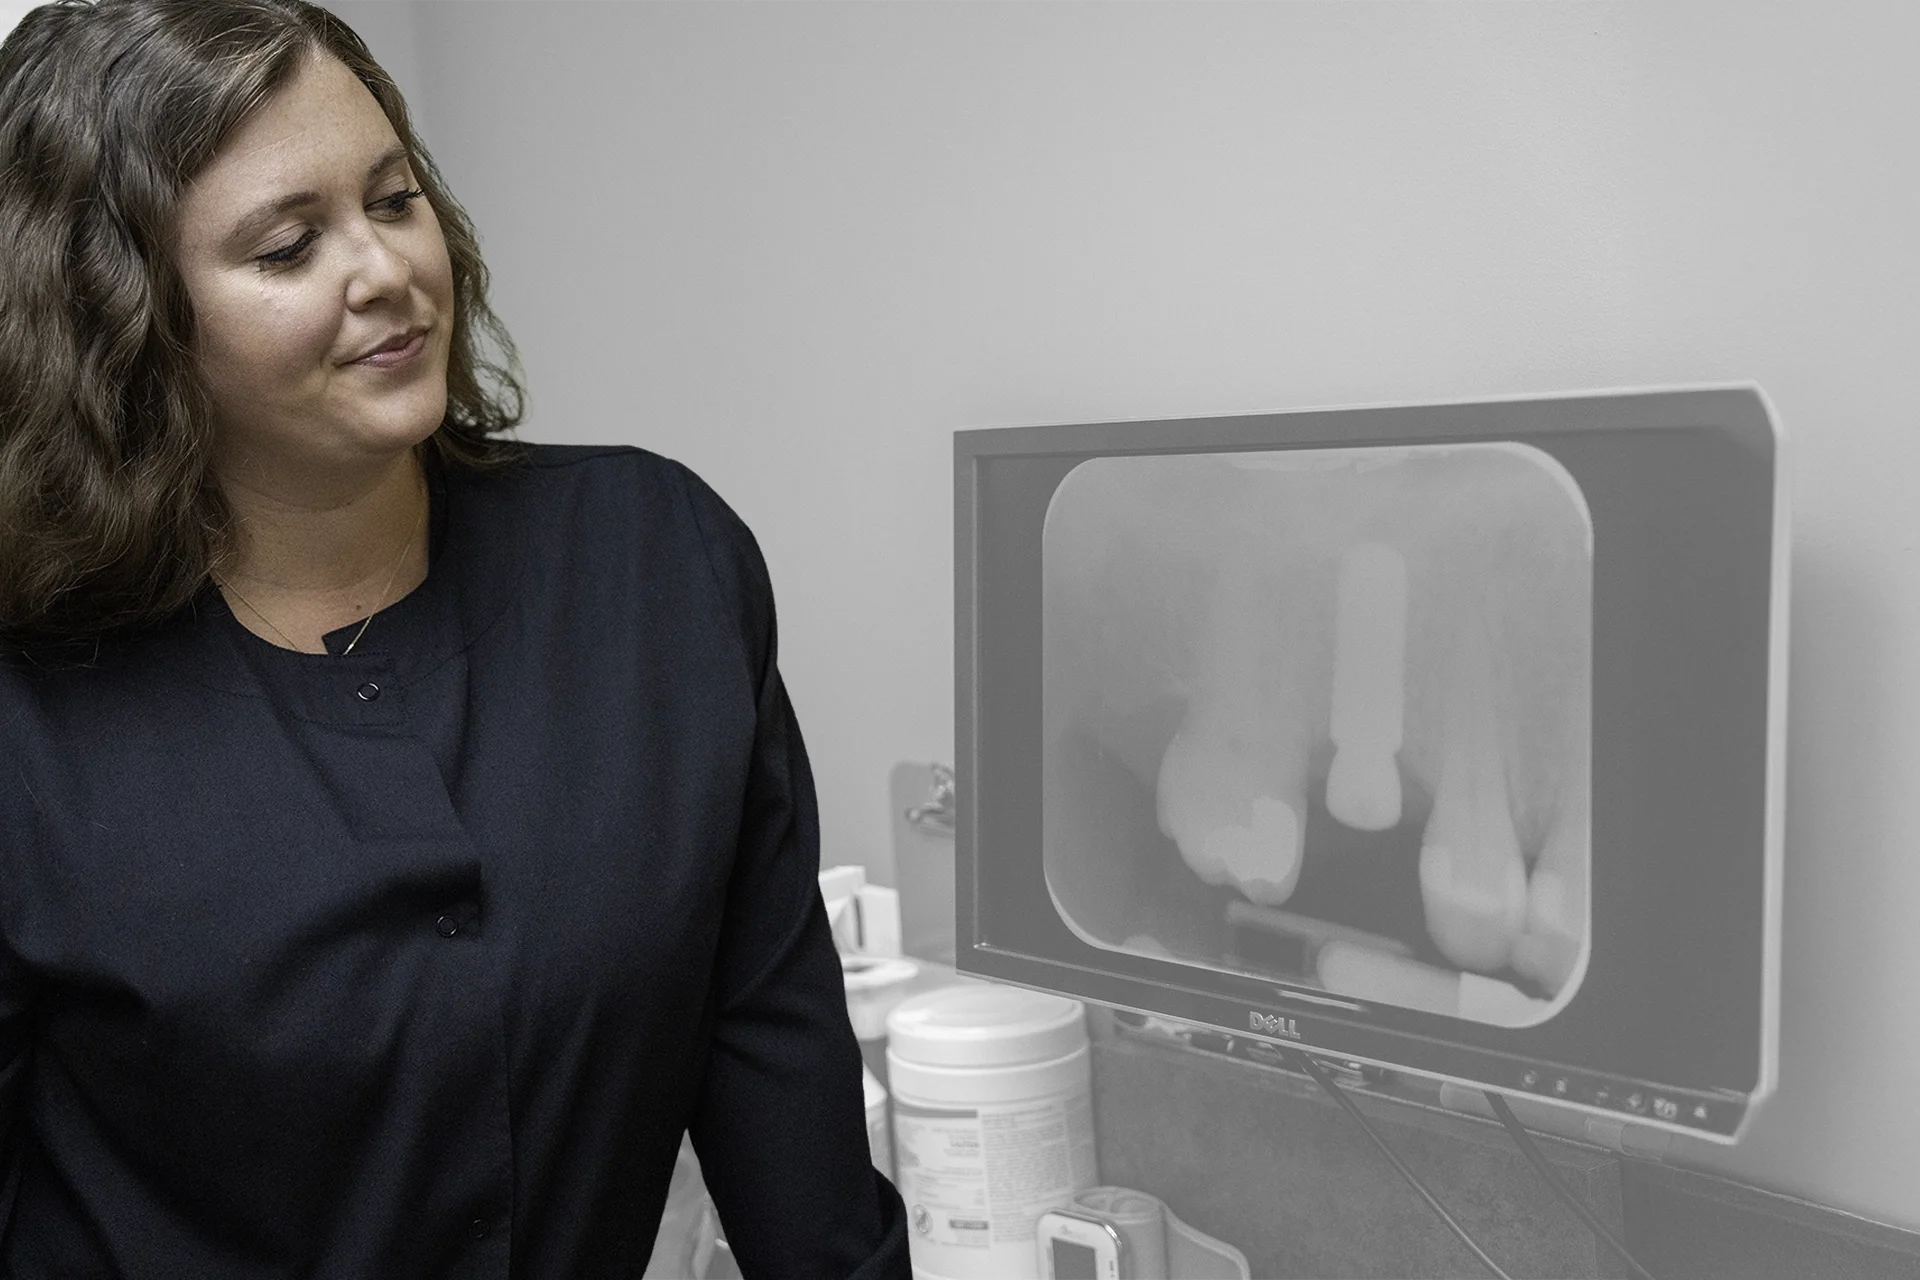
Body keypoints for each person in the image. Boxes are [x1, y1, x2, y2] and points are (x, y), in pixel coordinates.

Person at [0, 1, 910, 1275]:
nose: (383, 271)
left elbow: (777, 1068)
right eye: (287, 247)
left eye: (392, 197)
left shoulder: (655, 562)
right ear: (126, 321)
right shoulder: (32, 709)